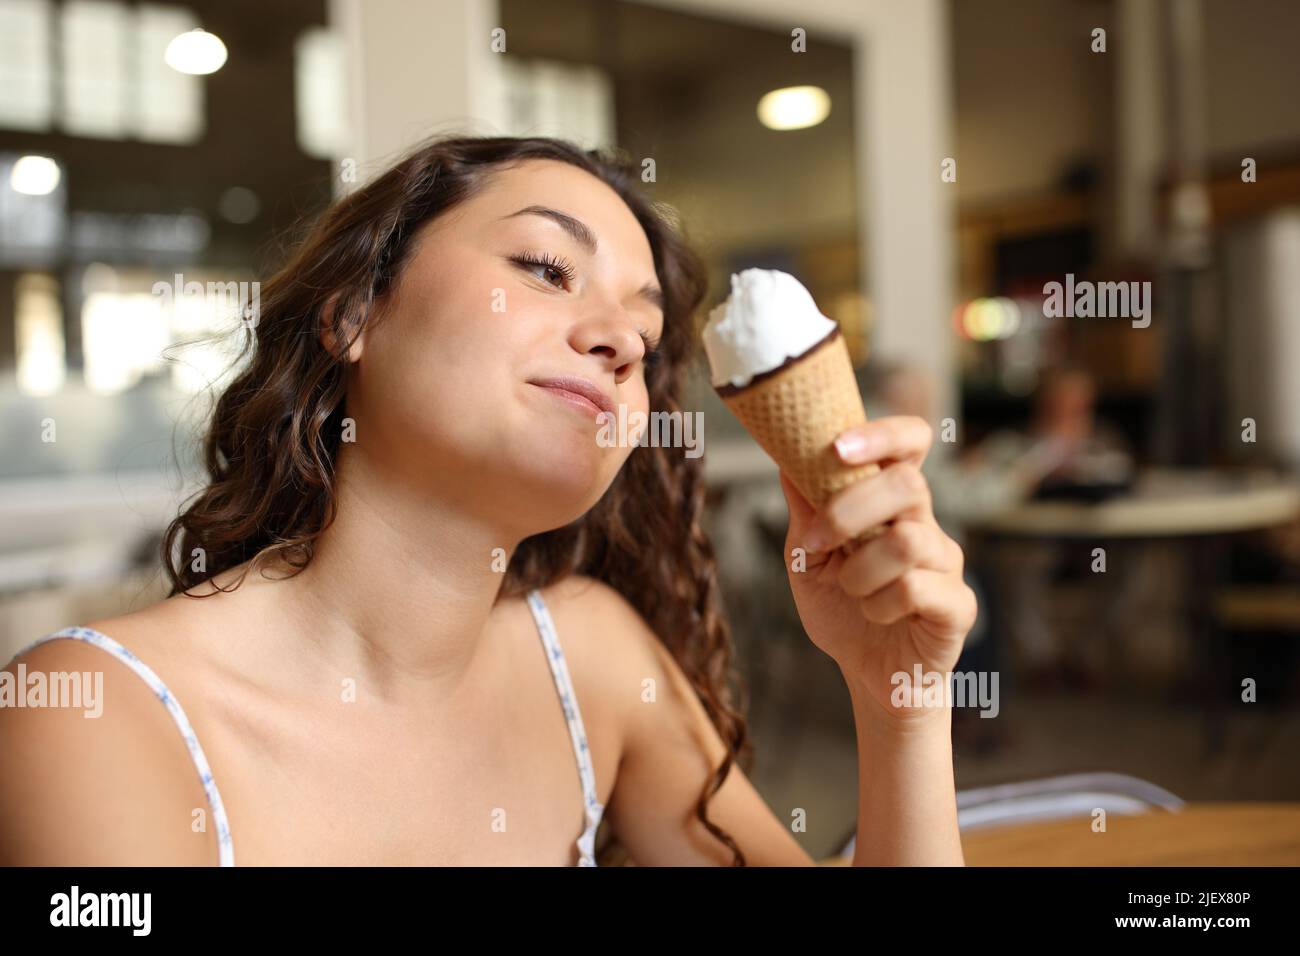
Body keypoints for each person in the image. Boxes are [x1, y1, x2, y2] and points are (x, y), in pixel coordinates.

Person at [0, 135, 976, 867]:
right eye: (546, 269)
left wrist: (899, 696)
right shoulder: (92, 720)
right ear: (354, 312)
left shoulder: (589, 654)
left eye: (645, 329)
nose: (622, 342)